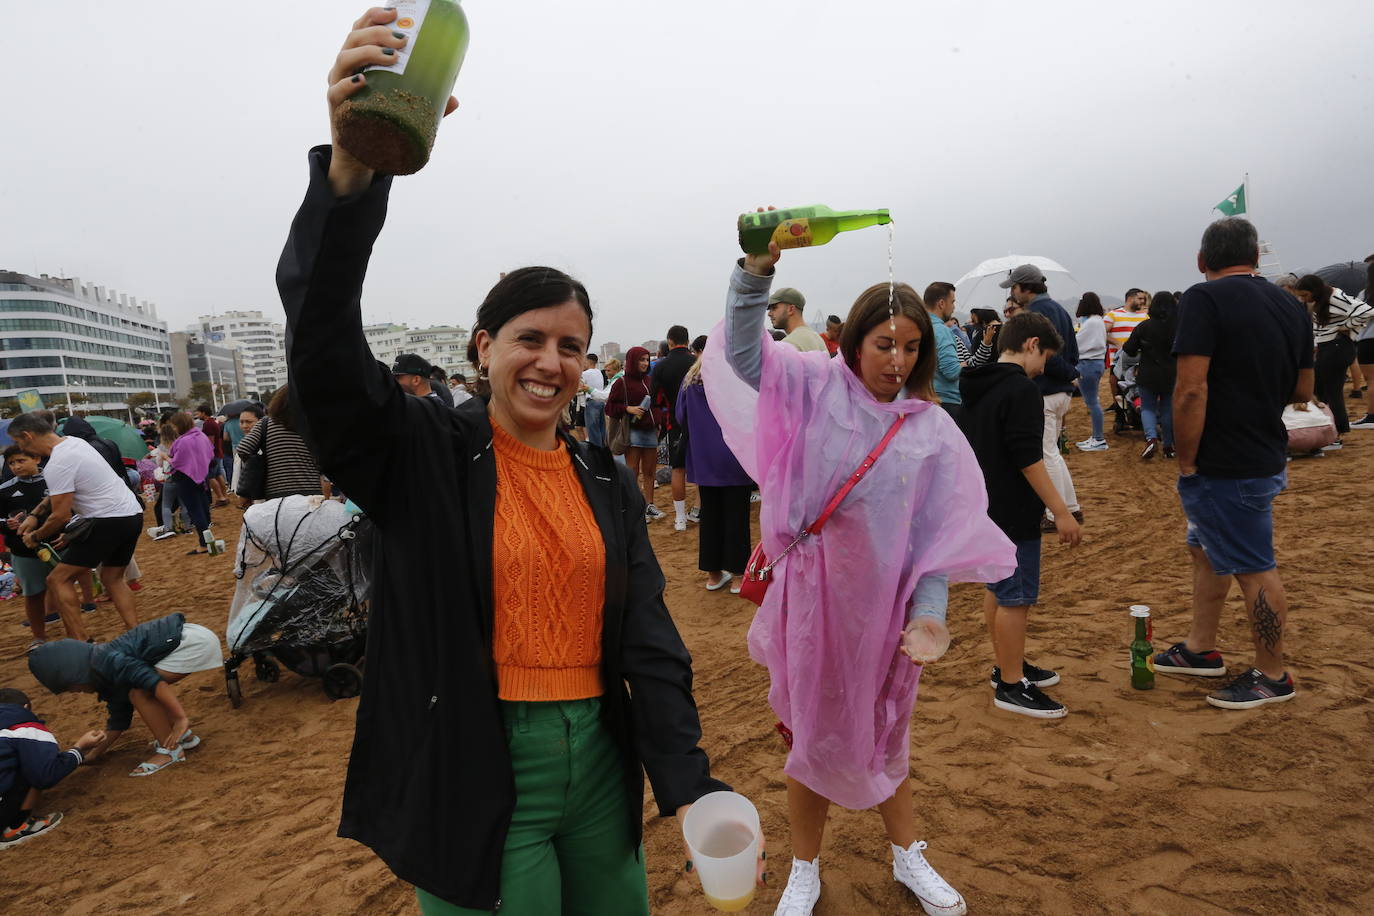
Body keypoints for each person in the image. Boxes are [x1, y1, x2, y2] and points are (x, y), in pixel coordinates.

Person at [274, 19, 735, 910]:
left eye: (572, 345)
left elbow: (649, 636)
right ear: (484, 348)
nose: (551, 362)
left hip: (601, 760)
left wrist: (689, 777)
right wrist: (353, 170)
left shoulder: (603, 477)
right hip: (472, 760)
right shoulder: (422, 453)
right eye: (529, 338)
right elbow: (323, 355)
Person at [706, 217, 1015, 916]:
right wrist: (756, 270)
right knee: (812, 738)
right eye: (884, 344)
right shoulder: (813, 387)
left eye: (911, 347)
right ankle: (804, 870)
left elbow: (935, 538)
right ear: (854, 343)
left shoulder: (931, 431)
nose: (897, 361)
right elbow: (749, 354)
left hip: (887, 616)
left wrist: (930, 615)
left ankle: (909, 856)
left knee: (884, 734)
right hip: (812, 605)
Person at [1154, 218, 1313, 709]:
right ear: (1257, 258)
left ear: (1202, 261)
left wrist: (1186, 459)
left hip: (1224, 460)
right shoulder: (1290, 304)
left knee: (1253, 567)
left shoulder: (1203, 299)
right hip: (1264, 449)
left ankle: (1272, 674)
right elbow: (1304, 391)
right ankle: (1201, 648)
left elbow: (1190, 388)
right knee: (1206, 549)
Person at [959, 312, 1082, 719]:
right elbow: (1029, 459)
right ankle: (1011, 685)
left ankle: (1007, 666)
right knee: (1016, 597)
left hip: (987, 506)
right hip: (1014, 509)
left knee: (998, 590)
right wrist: (1062, 512)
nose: (1043, 367)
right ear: (1031, 344)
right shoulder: (1022, 391)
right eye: (1044, 357)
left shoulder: (977, 384)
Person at [27, 613, 222, 776]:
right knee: (135, 691)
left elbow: (152, 681)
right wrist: (95, 753)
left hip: (191, 643)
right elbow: (120, 719)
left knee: (139, 692)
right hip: (185, 639)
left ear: (76, 674)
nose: (76, 691)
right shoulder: (102, 674)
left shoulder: (109, 661)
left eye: (73, 687)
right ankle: (180, 738)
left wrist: (181, 718)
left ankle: (170, 750)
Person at [8, 412, 142, 641]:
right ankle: (137, 633)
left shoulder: (57, 463)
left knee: (57, 579)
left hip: (106, 521)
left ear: (27, 435)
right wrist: (34, 515)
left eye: (19, 442)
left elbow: (60, 516)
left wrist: (36, 536)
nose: (19, 447)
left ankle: (81, 641)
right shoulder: (74, 443)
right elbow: (58, 494)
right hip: (131, 515)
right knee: (112, 578)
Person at [1001, 265, 1082, 529]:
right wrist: (1070, 373)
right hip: (1060, 391)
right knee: (1052, 453)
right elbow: (1072, 352)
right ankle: (1071, 508)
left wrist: (1068, 372)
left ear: (1025, 287)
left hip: (1046, 389)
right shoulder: (1058, 309)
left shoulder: (1036, 313)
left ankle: (1053, 513)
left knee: (1046, 454)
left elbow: (1048, 357)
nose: (1013, 293)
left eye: (1014, 287)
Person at [676, 354, 751, 592]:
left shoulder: (691, 380)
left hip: (704, 456)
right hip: (735, 455)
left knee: (710, 516)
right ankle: (738, 576)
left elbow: (680, 415)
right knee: (737, 516)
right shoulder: (735, 376)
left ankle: (713, 574)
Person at [0, 687, 104, 849]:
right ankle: (16, 826)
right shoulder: (26, 727)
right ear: (26, 707)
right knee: (33, 763)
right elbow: (45, 775)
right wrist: (79, 748)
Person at [1293, 274, 1373, 446]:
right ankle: (1332, 432)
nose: (1303, 299)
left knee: (1330, 392)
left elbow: (1368, 311)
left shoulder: (1335, 297)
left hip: (1337, 348)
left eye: (1305, 295)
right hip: (1330, 348)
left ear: (1314, 290)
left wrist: (1346, 327)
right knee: (1321, 391)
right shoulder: (1323, 299)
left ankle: (1336, 435)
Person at [0, 447, 58, 651]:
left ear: (36, 458)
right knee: (33, 594)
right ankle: (39, 637)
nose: (16, 466)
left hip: (58, 545)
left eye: (21, 461)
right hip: (23, 550)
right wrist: (7, 524)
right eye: (11, 463)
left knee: (63, 589)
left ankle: (76, 634)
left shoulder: (54, 481)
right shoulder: (4, 489)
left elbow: (70, 508)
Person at [234, 387, 330, 502]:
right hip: (311, 492)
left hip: (277, 493)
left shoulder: (266, 423)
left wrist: (262, 463)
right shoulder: (312, 424)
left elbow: (243, 449)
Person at [606, 347, 663, 521]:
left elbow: (658, 404)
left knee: (650, 471)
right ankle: (635, 506)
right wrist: (627, 408)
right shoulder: (621, 382)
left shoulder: (650, 380)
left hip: (651, 431)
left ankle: (649, 505)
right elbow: (610, 407)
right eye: (641, 360)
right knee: (633, 472)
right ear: (632, 361)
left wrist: (659, 420)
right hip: (633, 431)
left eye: (647, 359)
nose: (645, 363)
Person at [1123, 291, 1180, 460]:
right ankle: (1169, 447)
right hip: (1172, 374)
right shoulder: (1179, 327)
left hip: (1147, 374)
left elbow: (1129, 349)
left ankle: (1151, 439)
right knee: (1167, 410)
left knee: (1147, 407)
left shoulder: (1144, 326)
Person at [649, 325, 696, 530]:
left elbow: (655, 399)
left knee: (678, 468)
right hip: (699, 422)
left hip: (675, 422)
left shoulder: (660, 366)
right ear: (687, 340)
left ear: (669, 342)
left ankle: (680, 518)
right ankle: (699, 510)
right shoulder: (697, 362)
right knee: (701, 467)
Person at [166, 412, 217, 555]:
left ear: (179, 425)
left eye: (174, 426)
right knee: (203, 507)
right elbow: (210, 455)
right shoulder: (201, 436)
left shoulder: (183, 441)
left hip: (186, 478)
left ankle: (204, 544)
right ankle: (208, 540)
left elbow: (176, 462)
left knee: (195, 511)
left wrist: (165, 457)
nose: (174, 429)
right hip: (202, 476)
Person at [922, 282, 963, 419]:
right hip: (945, 402)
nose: (953, 307)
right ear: (941, 303)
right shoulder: (942, 331)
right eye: (952, 302)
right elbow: (951, 372)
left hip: (921, 399)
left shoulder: (917, 328)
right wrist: (966, 366)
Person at [1073, 292, 1109, 451]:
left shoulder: (1091, 322)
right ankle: (1096, 437)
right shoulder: (1098, 320)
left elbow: (1077, 343)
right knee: (1093, 401)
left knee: (1092, 402)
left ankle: (1099, 439)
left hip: (1088, 364)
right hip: (1096, 363)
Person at [767, 287, 828, 352]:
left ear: (791, 309)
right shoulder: (818, 339)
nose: (769, 314)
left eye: (774, 308)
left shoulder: (788, 344)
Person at [192, 405, 231, 507]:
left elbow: (210, 441)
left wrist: (208, 455)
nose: (197, 415)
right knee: (218, 475)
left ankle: (221, 497)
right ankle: (224, 496)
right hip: (217, 452)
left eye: (198, 413)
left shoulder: (208, 424)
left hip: (212, 454)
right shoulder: (213, 422)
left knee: (210, 477)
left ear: (204, 412)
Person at [1351, 261, 1374, 430]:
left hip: (1368, 340)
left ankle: (1372, 416)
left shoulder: (1365, 294)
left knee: (1372, 381)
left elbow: (1357, 317)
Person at [1105, 288, 1149, 368]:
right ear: (1130, 299)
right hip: (1118, 362)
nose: (1143, 301)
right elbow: (1101, 333)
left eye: (1143, 299)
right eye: (1140, 298)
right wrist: (1117, 343)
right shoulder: (1113, 315)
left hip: (1139, 363)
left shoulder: (1145, 316)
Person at [580, 353, 607, 448]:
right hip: (600, 401)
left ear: (588, 361)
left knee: (592, 430)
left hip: (591, 402)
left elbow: (579, 386)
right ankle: (602, 450)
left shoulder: (585, 374)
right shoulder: (599, 372)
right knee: (601, 429)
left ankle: (596, 452)